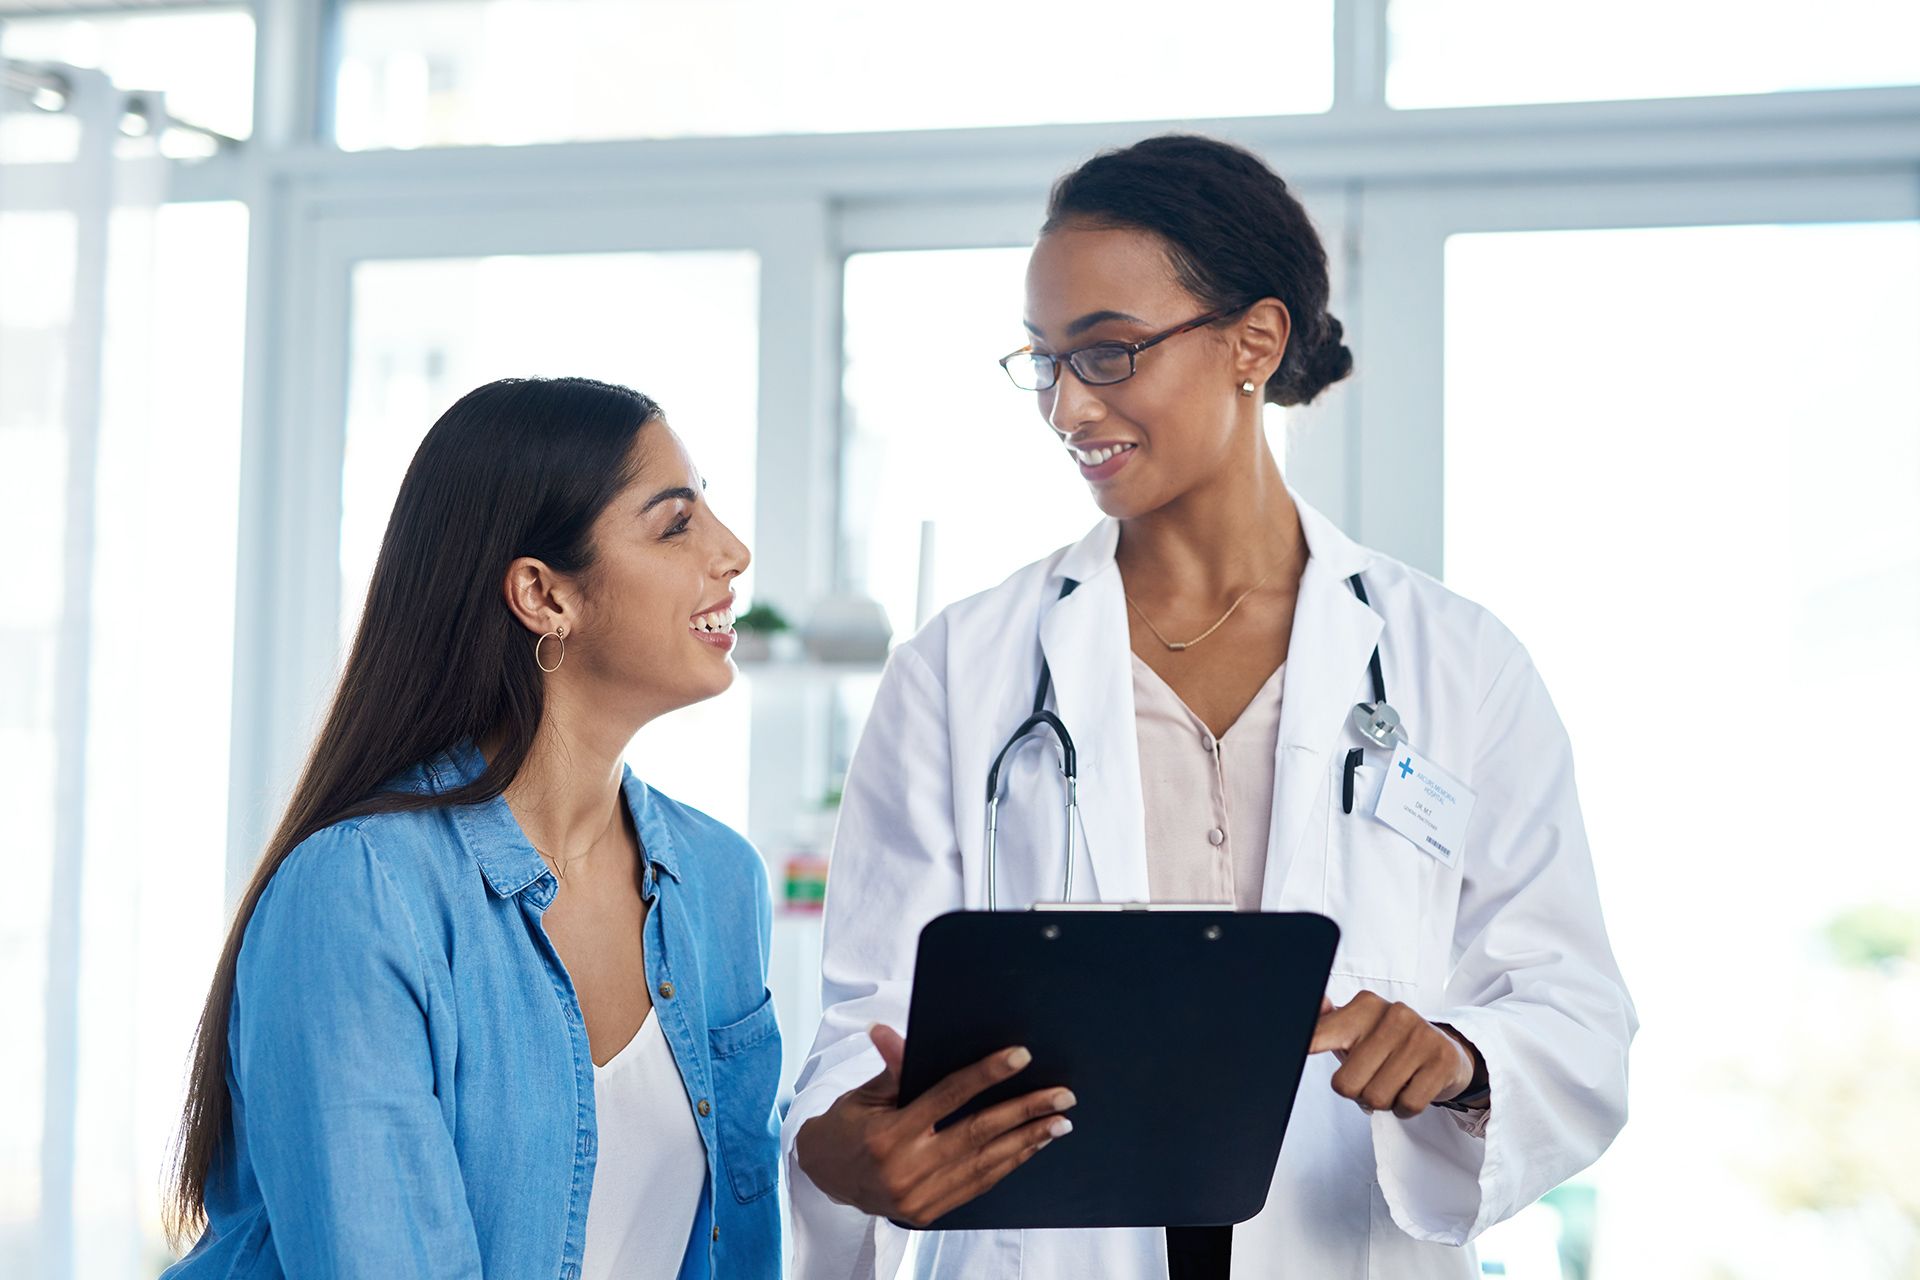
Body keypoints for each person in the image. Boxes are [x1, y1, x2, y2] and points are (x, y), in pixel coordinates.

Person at [784, 136, 1636, 1278]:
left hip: (1343, 1241)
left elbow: (1574, 1009)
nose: (1067, 405)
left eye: (1110, 352)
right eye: (1043, 361)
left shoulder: (1458, 664)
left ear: (1256, 341)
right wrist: (849, 1143)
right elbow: (863, 1031)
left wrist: (1458, 1059)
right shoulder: (958, 671)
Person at [163, 377, 781, 1279]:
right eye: (676, 524)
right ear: (543, 595)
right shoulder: (361, 893)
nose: (733, 552)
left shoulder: (720, 881)